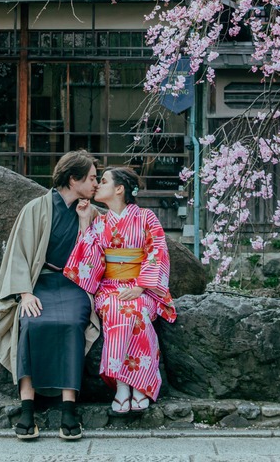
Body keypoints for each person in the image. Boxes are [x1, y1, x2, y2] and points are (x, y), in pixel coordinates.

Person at [0, 150, 103, 441]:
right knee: (30, 323)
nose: (96, 184)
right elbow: (18, 254)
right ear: (73, 178)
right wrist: (25, 293)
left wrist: (82, 221)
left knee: (71, 325)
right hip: (39, 283)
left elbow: (93, 256)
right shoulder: (36, 208)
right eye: (92, 178)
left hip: (74, 285)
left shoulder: (90, 212)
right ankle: (26, 409)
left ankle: (69, 410)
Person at [63, 166, 176, 413]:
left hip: (142, 288)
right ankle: (122, 385)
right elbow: (88, 255)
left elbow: (157, 252)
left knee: (137, 311)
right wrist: (84, 222)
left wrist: (141, 286)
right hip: (110, 287)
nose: (97, 185)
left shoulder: (146, 218)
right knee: (116, 309)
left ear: (119, 188)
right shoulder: (100, 221)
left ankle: (140, 386)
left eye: (103, 181)